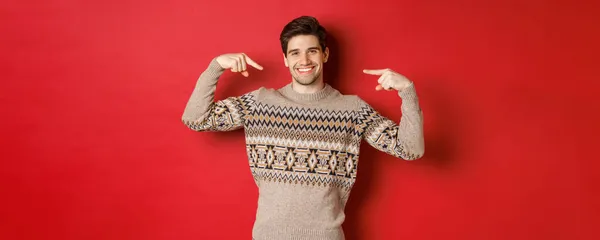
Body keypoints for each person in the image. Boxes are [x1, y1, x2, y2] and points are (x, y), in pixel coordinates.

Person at [181, 15, 424, 240]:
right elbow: (196, 119)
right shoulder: (260, 103)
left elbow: (409, 149)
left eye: (312, 51)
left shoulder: (352, 110)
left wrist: (407, 91)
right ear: (285, 59)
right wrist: (216, 66)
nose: (304, 60)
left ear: (325, 55)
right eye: (295, 53)